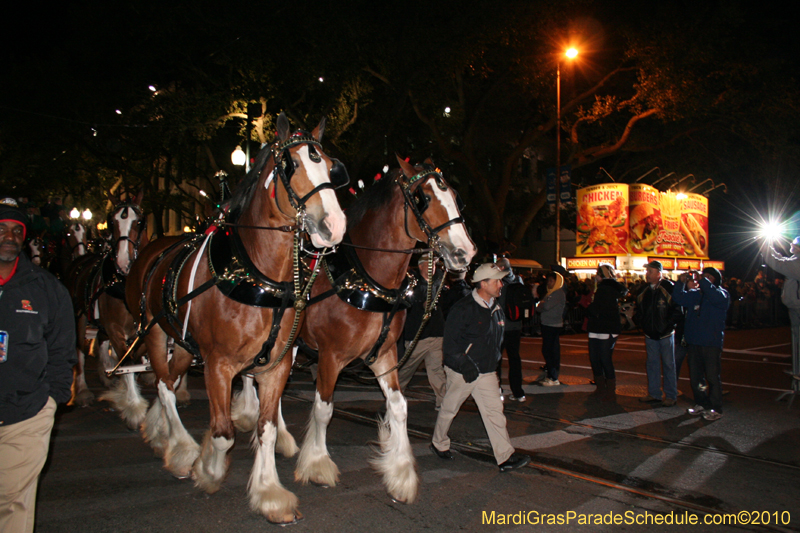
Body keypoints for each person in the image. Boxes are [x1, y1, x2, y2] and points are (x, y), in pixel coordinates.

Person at [0, 198, 76, 532]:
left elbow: (62, 348)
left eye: (17, 231)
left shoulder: (46, 289)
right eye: (1, 228)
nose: (10, 236)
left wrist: (52, 399)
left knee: (12, 500)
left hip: (26, 413)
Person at [431, 263, 530, 472]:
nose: (501, 284)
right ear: (483, 283)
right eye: (496, 280)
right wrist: (463, 364)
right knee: (449, 409)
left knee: (495, 413)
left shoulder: (495, 306)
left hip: (486, 371)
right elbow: (450, 345)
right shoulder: (463, 308)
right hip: (463, 371)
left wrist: (493, 365)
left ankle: (505, 456)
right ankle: (438, 443)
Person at [671, 268, 730, 421]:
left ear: (715, 280)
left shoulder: (721, 294)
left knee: (712, 377)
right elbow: (678, 298)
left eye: (708, 277)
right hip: (694, 342)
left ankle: (716, 407)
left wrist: (702, 280)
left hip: (711, 343)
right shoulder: (696, 295)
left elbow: (715, 297)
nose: (704, 279)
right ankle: (701, 403)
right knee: (696, 377)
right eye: (704, 277)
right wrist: (680, 282)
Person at [398, 256, 447, 410]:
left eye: (435, 263)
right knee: (406, 370)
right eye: (429, 263)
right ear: (421, 266)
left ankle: (443, 401)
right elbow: (407, 301)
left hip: (436, 332)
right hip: (417, 335)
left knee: (436, 369)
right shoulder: (411, 281)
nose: (433, 266)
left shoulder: (439, 279)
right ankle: (395, 395)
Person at [634, 261, 681, 406]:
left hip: (665, 334)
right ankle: (654, 393)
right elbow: (638, 311)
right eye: (647, 271)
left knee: (668, 365)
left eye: (650, 271)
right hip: (650, 334)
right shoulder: (644, 290)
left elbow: (677, 310)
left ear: (659, 273)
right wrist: (643, 325)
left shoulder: (668, 288)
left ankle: (671, 395)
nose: (647, 274)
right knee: (652, 364)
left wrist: (668, 325)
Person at [586, 263, 628, 400]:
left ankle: (609, 388)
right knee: (596, 357)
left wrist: (590, 309)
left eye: (598, 273)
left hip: (606, 326)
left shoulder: (606, 288)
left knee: (603, 358)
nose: (595, 276)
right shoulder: (602, 288)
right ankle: (601, 387)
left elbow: (599, 307)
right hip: (597, 326)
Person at [765, 238, 800, 388]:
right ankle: (797, 369)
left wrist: (764, 245)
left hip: (798, 305)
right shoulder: (795, 261)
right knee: (797, 337)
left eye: (793, 244)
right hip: (795, 305)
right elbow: (780, 260)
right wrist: (768, 245)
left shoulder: (797, 263)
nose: (790, 245)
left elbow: (777, 263)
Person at [495, 257, 528, 402]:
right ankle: (518, 392)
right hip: (516, 325)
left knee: (497, 359)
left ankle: (497, 390)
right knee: (515, 358)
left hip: (501, 325)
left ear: (501, 268)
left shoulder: (499, 282)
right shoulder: (518, 280)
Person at [536, 271, 566, 386]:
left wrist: (542, 303)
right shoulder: (550, 293)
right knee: (550, 350)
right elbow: (539, 308)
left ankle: (553, 377)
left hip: (553, 324)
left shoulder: (558, 293)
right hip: (548, 323)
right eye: (548, 281)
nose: (549, 283)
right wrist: (542, 303)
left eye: (551, 281)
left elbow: (545, 306)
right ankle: (551, 375)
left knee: (549, 350)